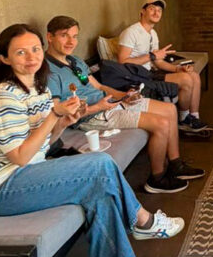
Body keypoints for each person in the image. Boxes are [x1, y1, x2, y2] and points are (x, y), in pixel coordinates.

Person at [0, 24, 186, 257]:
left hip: (30, 173)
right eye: (20, 52)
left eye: (34, 50)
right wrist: (53, 117)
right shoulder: (3, 96)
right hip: (0, 189)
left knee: (100, 191)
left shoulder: (37, 88)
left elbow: (47, 143)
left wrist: (63, 119)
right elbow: (19, 157)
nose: (31, 57)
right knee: (99, 164)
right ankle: (141, 220)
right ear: (3, 59)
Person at [45, 15, 204, 194]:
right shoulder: (48, 72)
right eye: (64, 35)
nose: (71, 41)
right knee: (161, 123)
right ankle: (157, 179)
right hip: (92, 115)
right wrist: (98, 107)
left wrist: (124, 95)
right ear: (50, 37)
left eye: (74, 36)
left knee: (169, 110)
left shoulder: (75, 61)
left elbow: (99, 86)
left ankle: (175, 165)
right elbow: (57, 112)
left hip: (109, 102)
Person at [117, 0, 213, 138]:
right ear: (142, 11)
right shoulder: (131, 32)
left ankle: (193, 117)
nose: (156, 13)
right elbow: (122, 61)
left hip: (149, 73)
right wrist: (152, 56)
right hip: (137, 77)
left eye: (159, 10)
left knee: (193, 76)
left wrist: (177, 69)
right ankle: (183, 120)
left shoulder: (153, 33)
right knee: (186, 80)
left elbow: (158, 61)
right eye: (152, 9)